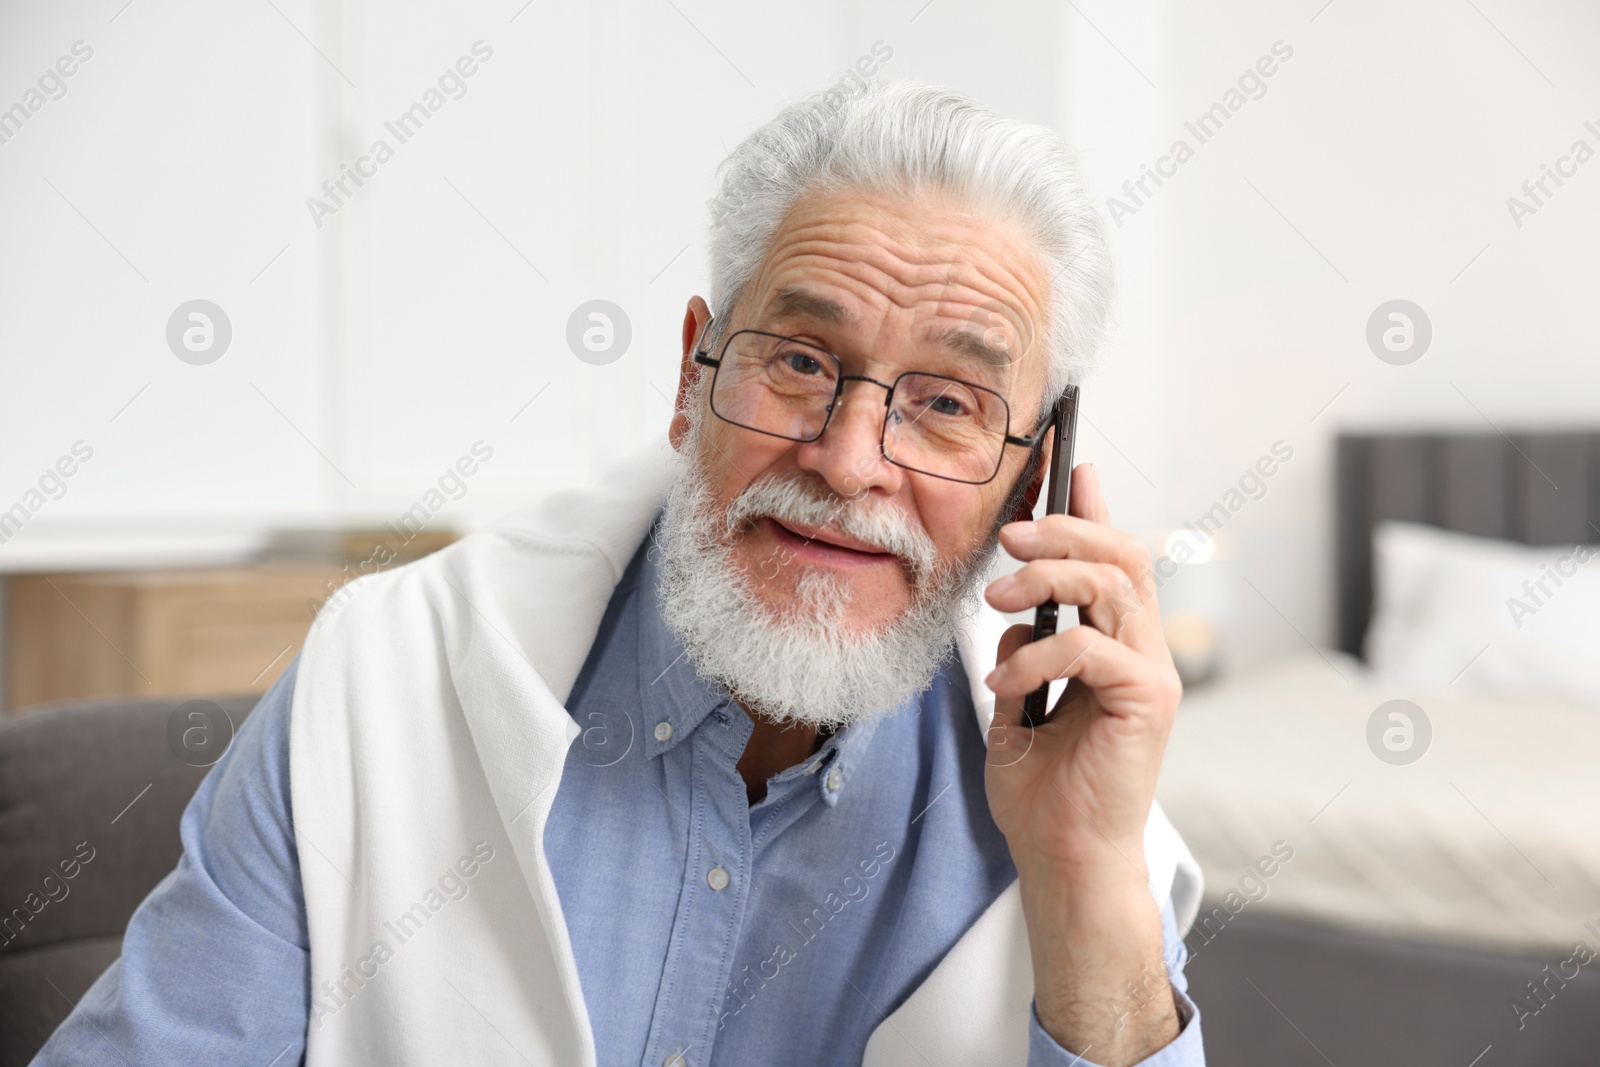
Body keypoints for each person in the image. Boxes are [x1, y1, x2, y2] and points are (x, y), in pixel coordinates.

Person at [35, 80, 1203, 1066]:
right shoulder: (380, 675)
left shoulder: (1089, 819)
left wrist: (1085, 876)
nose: (849, 464)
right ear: (692, 375)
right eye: (799, 360)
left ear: (1032, 475)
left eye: (947, 404)